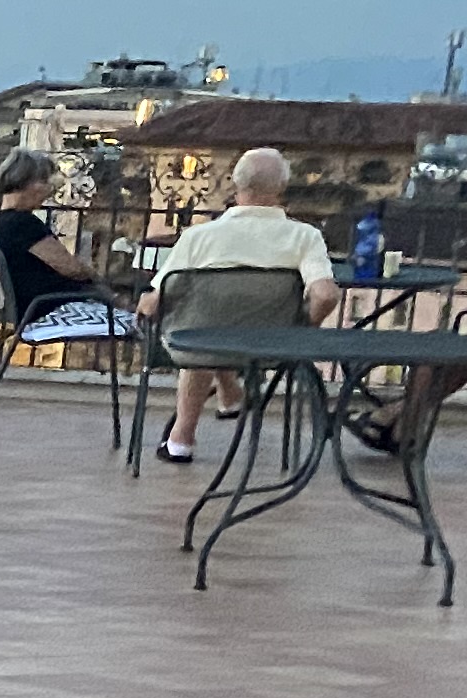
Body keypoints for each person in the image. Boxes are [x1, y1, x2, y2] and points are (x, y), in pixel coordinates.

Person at [141, 144, 342, 466]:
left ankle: (181, 438)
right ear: (281, 187)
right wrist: (302, 330)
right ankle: (231, 394)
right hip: (272, 344)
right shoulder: (304, 237)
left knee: (202, 328)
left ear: (236, 185)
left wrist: (147, 306)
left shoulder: (199, 237)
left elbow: (155, 300)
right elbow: (326, 295)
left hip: (198, 343)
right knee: (226, 322)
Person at [0, 154, 140, 345]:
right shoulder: (22, 224)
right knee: (140, 323)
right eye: (45, 181)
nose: (49, 190)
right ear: (29, 183)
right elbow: (72, 269)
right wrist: (97, 278)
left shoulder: (5, 223)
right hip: (53, 311)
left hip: (41, 310)